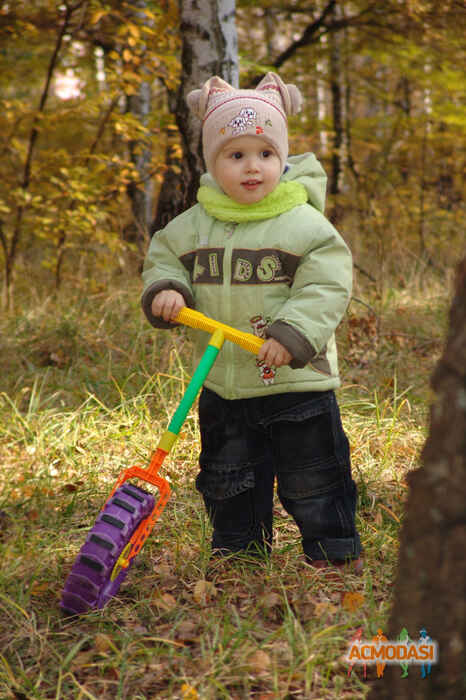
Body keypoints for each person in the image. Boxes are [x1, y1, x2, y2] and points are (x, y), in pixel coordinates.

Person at [141, 72, 362, 574]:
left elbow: (326, 283)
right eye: (235, 155)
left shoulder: (304, 224)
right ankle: (240, 554)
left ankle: (331, 552)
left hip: (297, 381)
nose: (252, 168)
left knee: (314, 474)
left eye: (264, 154)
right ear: (212, 162)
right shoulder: (194, 224)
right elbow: (164, 257)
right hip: (225, 381)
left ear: (281, 157)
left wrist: (292, 333)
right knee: (228, 474)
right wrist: (168, 289)